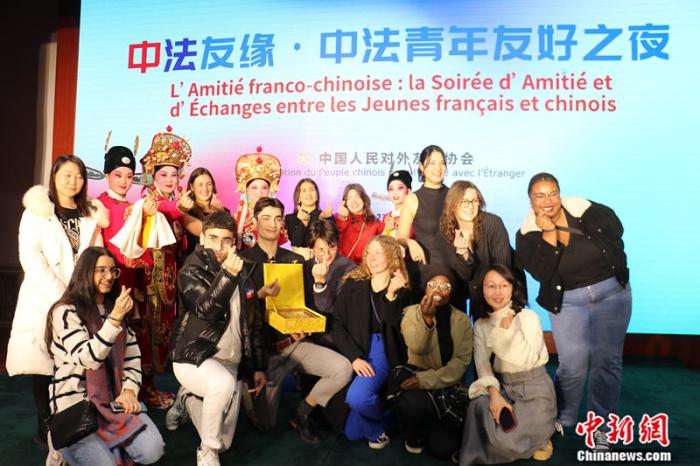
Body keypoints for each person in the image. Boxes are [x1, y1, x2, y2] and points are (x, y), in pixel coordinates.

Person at [515, 173, 631, 450]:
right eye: (539, 195)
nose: (547, 200)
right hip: (568, 302)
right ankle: (562, 418)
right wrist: (549, 234)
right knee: (572, 364)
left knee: (607, 361)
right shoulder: (527, 234)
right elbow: (541, 272)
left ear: (560, 193)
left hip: (612, 296)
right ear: (530, 200)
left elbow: (616, 227)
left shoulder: (585, 209)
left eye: (552, 193)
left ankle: (601, 427)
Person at [6, 154, 109, 446]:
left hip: (81, 297)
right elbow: (30, 255)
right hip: (44, 295)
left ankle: (71, 416)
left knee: (75, 357)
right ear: (54, 177)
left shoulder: (90, 213)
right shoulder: (37, 211)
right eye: (66, 175)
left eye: (78, 176)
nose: (73, 181)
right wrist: (60, 294)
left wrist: (86, 290)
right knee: (44, 359)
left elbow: (95, 255)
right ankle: (44, 419)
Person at [240, 197, 353, 444]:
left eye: (277, 218)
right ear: (255, 220)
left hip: (293, 344)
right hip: (260, 353)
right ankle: (239, 386)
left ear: (283, 222)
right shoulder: (243, 261)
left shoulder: (295, 260)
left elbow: (305, 306)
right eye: (266, 218)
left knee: (342, 369)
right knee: (265, 422)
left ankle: (303, 412)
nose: (272, 224)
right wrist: (258, 296)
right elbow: (237, 312)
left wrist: (304, 326)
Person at [44, 246, 164, 466]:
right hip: (77, 405)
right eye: (101, 270)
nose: (109, 276)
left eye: (112, 270)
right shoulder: (65, 311)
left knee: (153, 451)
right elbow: (88, 358)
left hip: (113, 402)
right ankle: (60, 445)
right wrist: (115, 318)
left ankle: (107, 445)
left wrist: (129, 391)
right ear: (85, 272)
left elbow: (132, 358)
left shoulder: (115, 309)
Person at [167, 211, 267, 466]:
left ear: (234, 242)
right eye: (213, 238)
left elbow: (252, 325)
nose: (219, 247)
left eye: (226, 240)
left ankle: (187, 399)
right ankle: (207, 450)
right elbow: (205, 310)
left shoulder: (244, 271)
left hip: (230, 362)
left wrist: (257, 367)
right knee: (220, 386)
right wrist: (228, 276)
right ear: (202, 238)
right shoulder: (190, 269)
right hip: (195, 357)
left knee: (226, 442)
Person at [112, 129, 200, 408]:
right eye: (164, 174)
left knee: (160, 335)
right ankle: (141, 389)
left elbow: (189, 227)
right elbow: (166, 213)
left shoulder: (175, 203)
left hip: (167, 284)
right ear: (152, 176)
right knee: (144, 336)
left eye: (174, 174)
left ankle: (148, 388)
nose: (170, 180)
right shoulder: (147, 204)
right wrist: (180, 209)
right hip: (145, 283)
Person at [460, 264, 555, 464]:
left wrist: (507, 334)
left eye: (504, 285)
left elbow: (528, 360)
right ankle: (533, 438)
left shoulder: (528, 317)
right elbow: (482, 365)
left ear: (513, 288)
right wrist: (495, 397)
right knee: (479, 405)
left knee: (505, 441)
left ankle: (542, 437)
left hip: (535, 388)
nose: (497, 292)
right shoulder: (481, 325)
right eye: (491, 286)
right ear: (482, 290)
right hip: (505, 388)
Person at [333, 235, 411, 449]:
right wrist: (354, 358)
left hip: (384, 349)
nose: (372, 257)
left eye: (379, 253)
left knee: (357, 398)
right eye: (369, 253)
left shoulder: (403, 289)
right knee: (352, 433)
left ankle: (378, 431)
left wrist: (392, 294)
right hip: (357, 347)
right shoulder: (353, 284)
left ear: (391, 257)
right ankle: (389, 415)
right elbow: (337, 325)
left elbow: (394, 326)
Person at [399, 273, 472, 460]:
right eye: (432, 284)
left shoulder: (463, 320)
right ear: (425, 288)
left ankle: (436, 428)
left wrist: (427, 380)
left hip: (446, 387)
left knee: (443, 449)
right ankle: (416, 433)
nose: (438, 289)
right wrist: (427, 319)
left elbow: (461, 362)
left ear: (452, 293)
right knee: (411, 404)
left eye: (445, 286)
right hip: (419, 388)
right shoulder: (410, 313)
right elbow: (417, 348)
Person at [440, 180, 516, 315]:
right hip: (466, 293)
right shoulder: (446, 229)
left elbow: (503, 267)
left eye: (474, 201)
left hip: (498, 291)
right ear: (452, 204)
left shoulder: (492, 223)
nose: (470, 206)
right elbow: (464, 276)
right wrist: (463, 254)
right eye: (464, 201)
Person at [397, 145, 451, 299]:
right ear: (422, 167)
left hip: (452, 272)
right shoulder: (412, 199)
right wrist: (410, 242)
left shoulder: (454, 195)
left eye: (442, 163)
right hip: (423, 271)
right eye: (432, 163)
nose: (438, 168)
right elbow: (401, 237)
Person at [302, 218, 356, 348]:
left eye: (332, 247)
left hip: (333, 340)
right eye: (321, 249)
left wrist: (320, 283)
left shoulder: (350, 269)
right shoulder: (305, 266)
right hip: (306, 336)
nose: (327, 255)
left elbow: (334, 313)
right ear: (312, 248)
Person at [233, 149, 287, 250]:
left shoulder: (277, 217)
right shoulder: (239, 218)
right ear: (246, 190)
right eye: (254, 188)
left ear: (269, 190)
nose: (259, 192)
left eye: (264, 188)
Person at [181, 167, 229, 261]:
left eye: (209, 184)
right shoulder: (188, 212)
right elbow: (209, 234)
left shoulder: (224, 211)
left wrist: (222, 213)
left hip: (221, 262)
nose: (205, 188)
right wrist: (217, 215)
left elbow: (230, 236)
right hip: (196, 262)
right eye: (200, 185)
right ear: (192, 187)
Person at [285, 178, 332, 259]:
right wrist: (303, 223)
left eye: (312, 190)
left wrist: (324, 219)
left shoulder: (325, 216)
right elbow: (297, 243)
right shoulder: (290, 218)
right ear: (298, 197)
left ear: (317, 196)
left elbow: (330, 241)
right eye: (304, 191)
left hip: (322, 261)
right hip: (299, 262)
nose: (308, 194)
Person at [335, 183, 383, 264]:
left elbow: (386, 240)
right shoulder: (339, 218)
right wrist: (342, 218)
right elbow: (334, 235)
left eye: (357, 196)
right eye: (349, 198)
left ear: (364, 199)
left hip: (366, 267)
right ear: (345, 202)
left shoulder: (375, 223)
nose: (354, 201)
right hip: (342, 267)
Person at [380, 170, 413, 238]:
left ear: (409, 191)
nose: (395, 193)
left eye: (400, 188)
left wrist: (395, 228)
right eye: (391, 189)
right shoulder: (387, 217)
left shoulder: (413, 215)